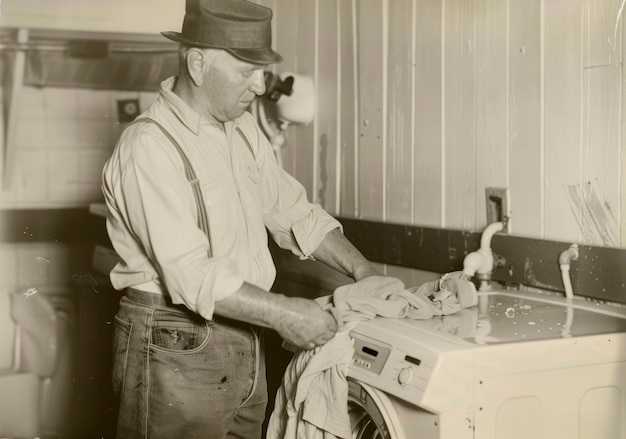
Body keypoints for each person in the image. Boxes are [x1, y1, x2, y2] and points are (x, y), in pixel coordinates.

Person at [101, 0, 382, 437]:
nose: (258, 85)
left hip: (247, 337)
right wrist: (287, 313)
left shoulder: (243, 131)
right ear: (198, 64)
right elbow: (192, 274)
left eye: (262, 70)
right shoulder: (147, 147)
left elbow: (294, 213)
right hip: (174, 346)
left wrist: (363, 272)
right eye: (245, 70)